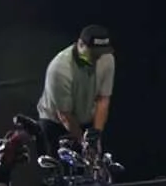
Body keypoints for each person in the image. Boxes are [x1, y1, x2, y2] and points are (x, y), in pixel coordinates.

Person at [36, 25, 115, 155]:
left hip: (84, 118)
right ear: (80, 45)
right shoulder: (60, 68)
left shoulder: (106, 58)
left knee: (93, 162)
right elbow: (65, 115)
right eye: (93, 53)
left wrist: (96, 137)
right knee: (59, 167)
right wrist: (83, 144)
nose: (98, 58)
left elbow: (103, 99)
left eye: (100, 53)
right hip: (55, 122)